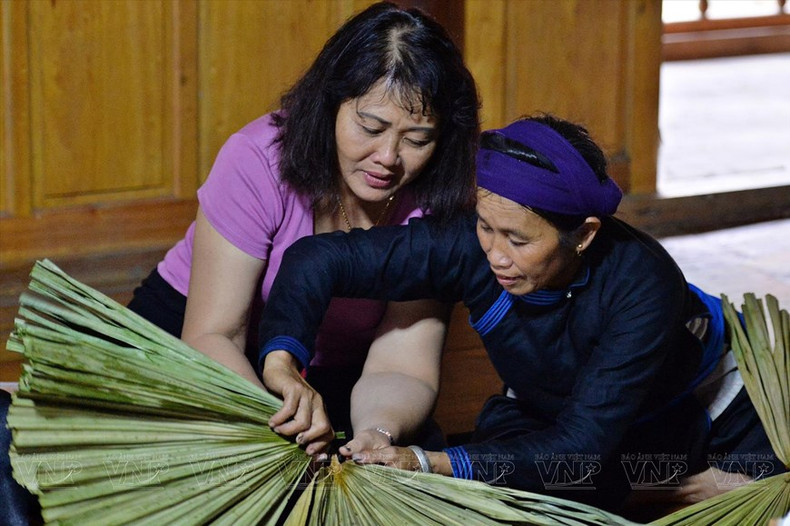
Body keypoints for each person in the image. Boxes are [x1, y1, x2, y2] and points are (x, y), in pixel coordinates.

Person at [257, 114, 785, 512]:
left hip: (690, 410)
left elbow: (580, 449)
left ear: (585, 235)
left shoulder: (643, 285)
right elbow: (315, 260)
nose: (495, 255)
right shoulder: (473, 239)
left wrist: (429, 462)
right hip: (555, 416)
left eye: (519, 240)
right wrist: (283, 362)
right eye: (487, 227)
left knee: (677, 488)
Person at [123, 1, 479, 456]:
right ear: (332, 103)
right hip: (207, 340)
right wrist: (271, 415)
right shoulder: (257, 159)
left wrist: (380, 433)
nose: (388, 157)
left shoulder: (439, 199)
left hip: (336, 372)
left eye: (416, 139)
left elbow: (403, 366)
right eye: (370, 127)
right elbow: (215, 333)